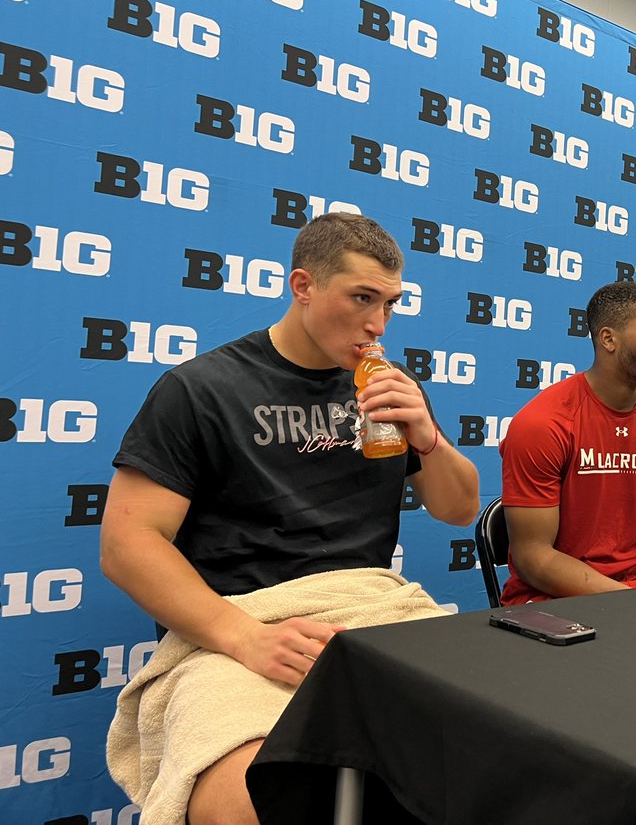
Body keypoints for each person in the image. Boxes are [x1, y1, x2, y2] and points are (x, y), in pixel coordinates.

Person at [100, 212, 479, 825]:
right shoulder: (203, 389)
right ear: (303, 286)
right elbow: (127, 543)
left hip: (372, 610)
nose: (377, 323)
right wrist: (243, 636)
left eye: (390, 304)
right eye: (361, 299)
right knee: (242, 801)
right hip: (239, 623)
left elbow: (459, 510)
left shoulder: (387, 388)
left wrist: (430, 439)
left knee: (505, 741)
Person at [499, 281, 636, 605]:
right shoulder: (543, 425)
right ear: (608, 339)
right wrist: (634, 605)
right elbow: (533, 558)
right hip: (553, 603)